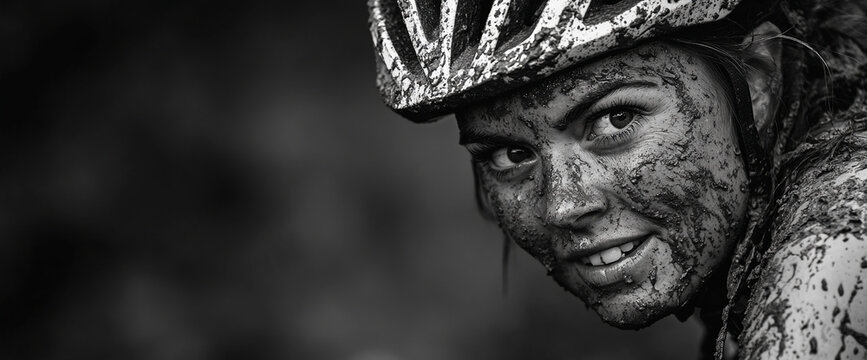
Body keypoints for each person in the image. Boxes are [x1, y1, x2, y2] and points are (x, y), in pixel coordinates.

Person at [368, 0, 867, 358]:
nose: (562, 206)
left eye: (615, 121)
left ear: (758, 77)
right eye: (511, 154)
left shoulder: (838, 244)